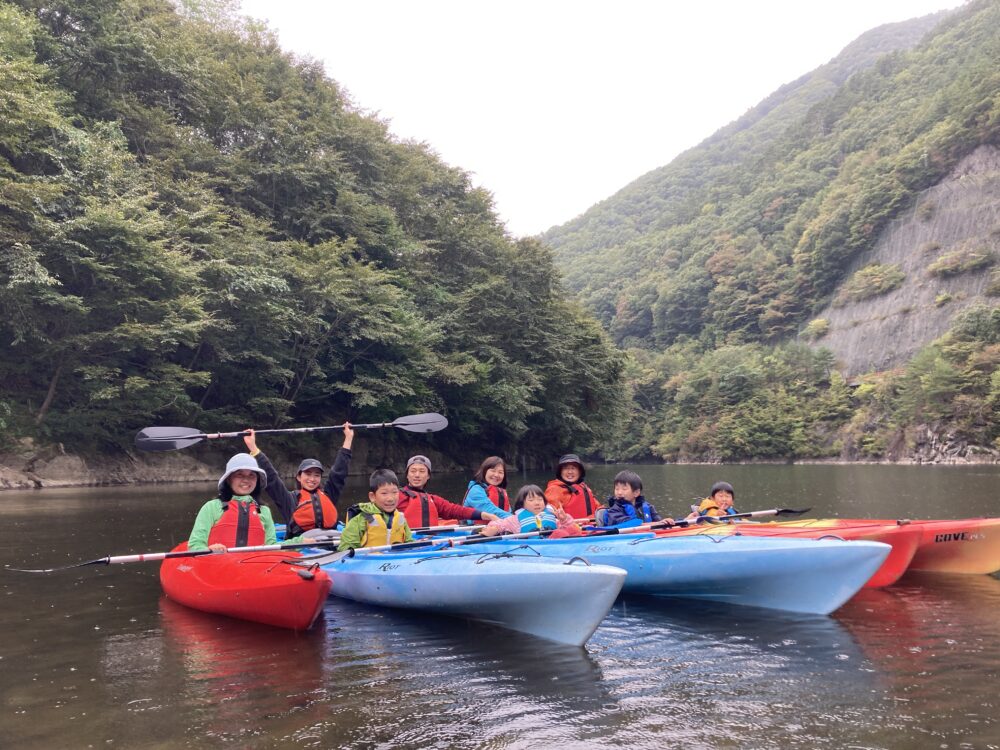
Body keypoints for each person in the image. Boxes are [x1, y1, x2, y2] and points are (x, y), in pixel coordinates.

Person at [243, 424, 354, 539]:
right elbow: (272, 478)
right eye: (308, 474)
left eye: (317, 475)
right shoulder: (289, 500)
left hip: (329, 544)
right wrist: (253, 448)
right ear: (299, 477)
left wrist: (348, 438)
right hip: (301, 547)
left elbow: (339, 472)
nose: (312, 479)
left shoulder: (328, 495)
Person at [187, 453, 278, 552]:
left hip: (253, 565)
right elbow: (195, 545)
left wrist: (297, 540)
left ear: (257, 480)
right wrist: (208, 550)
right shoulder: (211, 507)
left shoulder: (264, 511)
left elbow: (272, 547)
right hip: (216, 564)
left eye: (252, 475)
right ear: (229, 479)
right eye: (239, 474)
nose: (246, 480)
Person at [398, 455, 498, 528]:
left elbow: (456, 510)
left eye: (422, 471)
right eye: (413, 471)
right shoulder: (397, 496)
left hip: (429, 544)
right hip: (406, 543)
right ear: (407, 475)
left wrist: (486, 515)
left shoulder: (433, 500)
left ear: (428, 476)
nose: (417, 475)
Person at [337, 469, 414, 551]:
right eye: (384, 493)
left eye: (394, 492)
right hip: (369, 561)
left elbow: (410, 544)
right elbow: (346, 548)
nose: (390, 498)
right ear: (372, 497)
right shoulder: (361, 519)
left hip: (395, 561)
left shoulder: (401, 518)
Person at [479, 484, 582, 538]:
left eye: (540, 499)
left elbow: (572, 528)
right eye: (531, 500)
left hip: (553, 544)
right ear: (522, 503)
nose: (537, 503)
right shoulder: (515, 520)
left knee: (564, 532)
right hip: (531, 548)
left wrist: (564, 519)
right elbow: (500, 523)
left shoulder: (551, 516)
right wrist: (494, 529)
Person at [603, 470, 673, 528]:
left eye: (624, 489)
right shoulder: (614, 510)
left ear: (636, 492)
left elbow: (658, 521)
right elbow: (627, 524)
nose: (619, 492)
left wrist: (665, 522)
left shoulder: (648, 507)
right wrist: (652, 524)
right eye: (617, 489)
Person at [544, 453, 602, 520]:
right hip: (568, 527)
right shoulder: (554, 490)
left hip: (591, 526)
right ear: (560, 472)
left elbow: (599, 508)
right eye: (566, 468)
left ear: (580, 472)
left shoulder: (584, 488)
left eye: (573, 468)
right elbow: (549, 514)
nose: (570, 472)